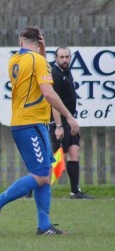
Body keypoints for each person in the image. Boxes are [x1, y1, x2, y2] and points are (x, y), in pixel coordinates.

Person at [0, 26, 79, 236]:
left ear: (21, 40)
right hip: (30, 123)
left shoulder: (15, 60)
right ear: (38, 41)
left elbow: (34, 65)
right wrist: (68, 116)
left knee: (45, 174)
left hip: (27, 123)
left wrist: (42, 50)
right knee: (40, 175)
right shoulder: (39, 62)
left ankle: (44, 225)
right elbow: (48, 92)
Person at [49, 47, 94, 199]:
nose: (65, 60)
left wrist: (71, 120)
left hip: (70, 120)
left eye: (67, 57)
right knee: (53, 159)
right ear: (56, 58)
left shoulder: (66, 71)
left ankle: (75, 191)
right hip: (59, 122)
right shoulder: (54, 73)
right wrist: (58, 126)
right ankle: (32, 190)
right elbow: (53, 102)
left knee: (74, 153)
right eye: (61, 57)